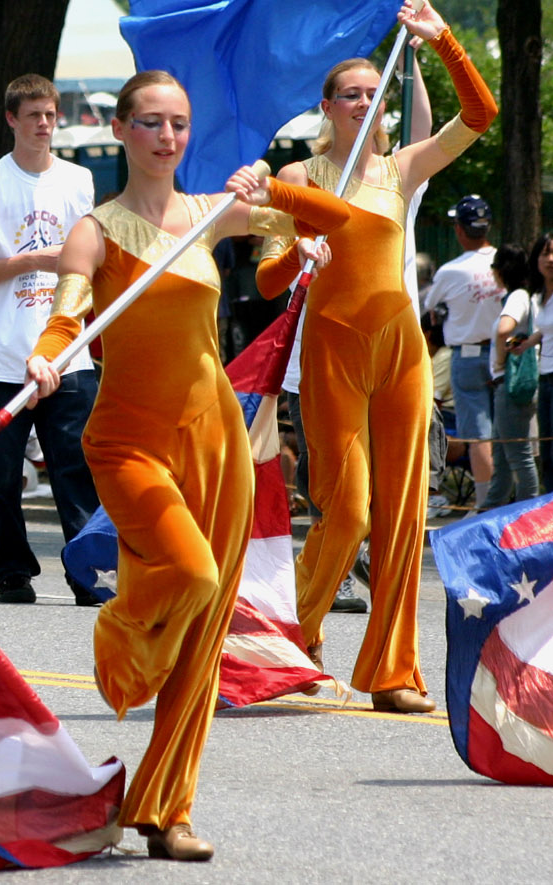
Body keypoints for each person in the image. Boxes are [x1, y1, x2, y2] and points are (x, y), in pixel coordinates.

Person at [27, 70, 351, 860]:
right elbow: (66, 314)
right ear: (122, 131)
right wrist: (44, 359)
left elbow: (334, 215)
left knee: (206, 633)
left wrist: (270, 186)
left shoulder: (212, 214)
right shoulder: (95, 230)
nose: (166, 137)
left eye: (177, 123)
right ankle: (119, 649)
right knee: (192, 576)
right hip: (129, 440)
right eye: (150, 123)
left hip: (216, 443)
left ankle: (165, 808)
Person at [259, 1, 494, 714]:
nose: (364, 102)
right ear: (327, 105)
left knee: (403, 517)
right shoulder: (299, 177)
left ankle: (392, 669)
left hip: (402, 351)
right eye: (350, 94)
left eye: (372, 93)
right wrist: (295, 252)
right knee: (350, 510)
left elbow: (480, 113)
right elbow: (269, 276)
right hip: (331, 351)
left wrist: (442, 39)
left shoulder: (400, 169)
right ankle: (287, 636)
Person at [0, 72, 102, 607]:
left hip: (69, 350)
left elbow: (93, 263)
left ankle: (88, 569)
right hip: (2, 357)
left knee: (75, 466)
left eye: (50, 114)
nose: (44, 124)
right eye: (33, 115)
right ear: (12, 119)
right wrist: (34, 261)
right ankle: (12, 570)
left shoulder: (80, 180)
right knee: (1, 473)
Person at [423, 194, 502, 494]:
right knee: (510, 434)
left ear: (458, 228)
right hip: (506, 356)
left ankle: (484, 504)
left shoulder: (451, 270)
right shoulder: (504, 262)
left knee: (479, 435)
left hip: (467, 358)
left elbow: (431, 307)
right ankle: (510, 500)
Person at [481, 245, 538, 507]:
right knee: (503, 457)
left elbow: (505, 330)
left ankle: (528, 519)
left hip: (510, 384)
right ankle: (490, 512)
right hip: (509, 386)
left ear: (501, 271)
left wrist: (500, 360)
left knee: (518, 456)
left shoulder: (517, 296)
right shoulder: (524, 296)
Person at [519, 232, 553, 487]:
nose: (550, 259)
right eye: (545, 253)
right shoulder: (541, 295)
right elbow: (546, 329)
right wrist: (527, 343)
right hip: (545, 375)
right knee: (547, 451)